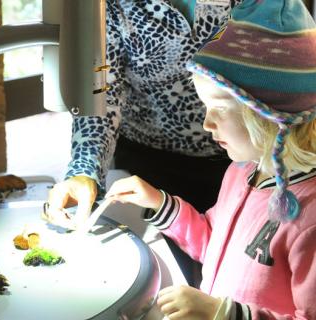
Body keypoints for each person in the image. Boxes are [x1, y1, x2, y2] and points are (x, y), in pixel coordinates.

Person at [106, 0, 316, 318]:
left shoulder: (309, 220)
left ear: (268, 116)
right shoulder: (241, 173)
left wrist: (222, 313)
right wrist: (158, 202)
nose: (206, 124)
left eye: (219, 109)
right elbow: (211, 241)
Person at [45, 0, 241, 286]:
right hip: (147, 168)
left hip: (243, 161)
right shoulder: (110, 6)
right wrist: (84, 172)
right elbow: (102, 94)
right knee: (167, 278)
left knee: (237, 276)